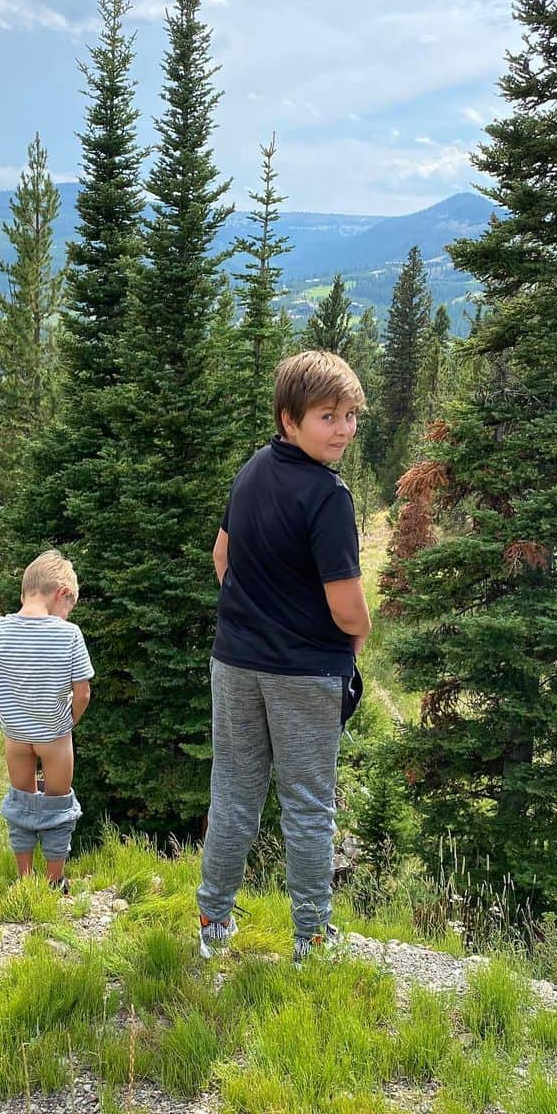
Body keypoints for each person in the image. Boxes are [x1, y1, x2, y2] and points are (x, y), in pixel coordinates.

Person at [197, 350, 371, 962]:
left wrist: (255, 614)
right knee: (307, 805)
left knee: (235, 793)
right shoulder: (328, 496)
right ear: (289, 418)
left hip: (235, 660)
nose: (345, 429)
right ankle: (313, 937)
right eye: (329, 416)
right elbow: (345, 603)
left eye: (351, 415)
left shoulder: (252, 470)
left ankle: (213, 922)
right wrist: (360, 635)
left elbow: (223, 558)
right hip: (305, 671)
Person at [0, 550, 93, 893]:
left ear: (25, 592)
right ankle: (54, 880)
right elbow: (82, 694)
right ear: (62, 593)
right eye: (69, 608)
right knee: (58, 806)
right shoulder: (69, 634)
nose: (67, 616)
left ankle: (23, 878)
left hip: (16, 736)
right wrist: (70, 722)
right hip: (55, 738)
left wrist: (5, 679)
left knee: (21, 801)